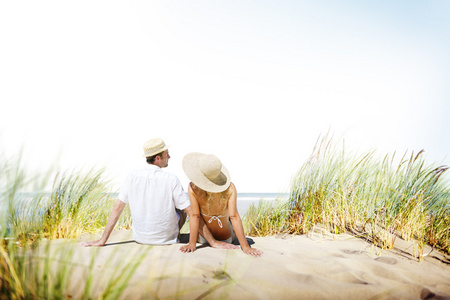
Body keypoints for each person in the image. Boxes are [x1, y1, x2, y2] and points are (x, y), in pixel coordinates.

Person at [81, 138, 239, 248]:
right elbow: (192, 214)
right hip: (167, 240)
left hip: (140, 239)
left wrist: (102, 240)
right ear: (157, 158)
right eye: (166, 154)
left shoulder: (131, 176)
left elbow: (117, 208)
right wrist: (213, 242)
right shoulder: (170, 178)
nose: (169, 156)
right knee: (183, 209)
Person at [179, 153, 263, 257]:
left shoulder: (193, 188)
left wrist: (191, 244)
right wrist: (246, 247)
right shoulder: (230, 188)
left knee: (195, 215)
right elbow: (234, 216)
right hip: (227, 238)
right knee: (229, 220)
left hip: (203, 239)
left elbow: (195, 216)